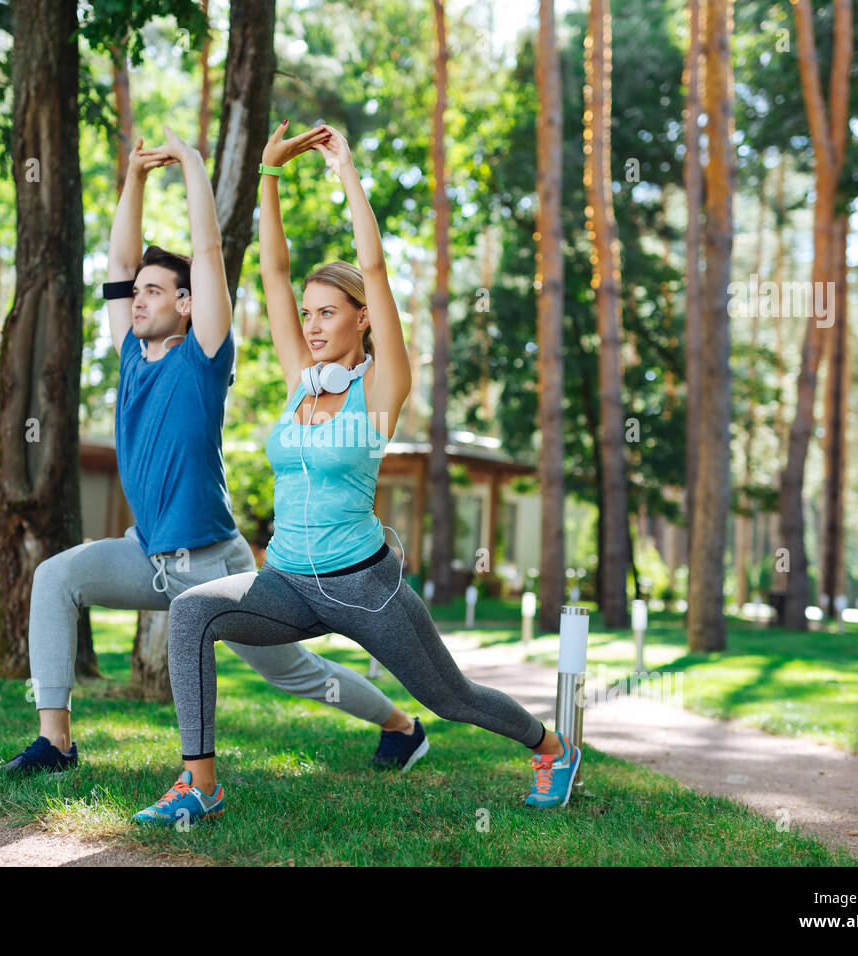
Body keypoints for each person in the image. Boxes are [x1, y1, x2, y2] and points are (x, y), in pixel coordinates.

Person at [133, 122, 580, 827]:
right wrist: (270, 178)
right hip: (282, 581)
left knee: (451, 697)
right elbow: (273, 273)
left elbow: (374, 270)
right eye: (307, 315)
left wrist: (345, 169)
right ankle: (200, 784)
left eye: (328, 314)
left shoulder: (380, 389)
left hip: (364, 588)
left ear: (361, 321)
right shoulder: (298, 379)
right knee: (192, 611)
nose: (311, 326)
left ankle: (552, 746)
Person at [1, 126, 424, 776]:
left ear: (189, 304)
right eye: (135, 293)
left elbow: (205, 248)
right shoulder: (130, 359)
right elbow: (117, 267)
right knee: (57, 576)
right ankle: (55, 742)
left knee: (294, 672)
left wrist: (194, 162)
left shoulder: (204, 355)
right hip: (149, 555)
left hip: (215, 564)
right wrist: (137, 177)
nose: (137, 298)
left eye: (153, 291)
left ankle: (401, 727)